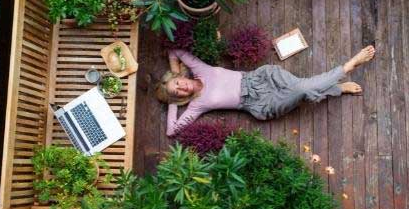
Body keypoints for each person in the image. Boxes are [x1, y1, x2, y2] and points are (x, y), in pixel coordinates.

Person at [156, 44, 376, 137]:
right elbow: (171, 131)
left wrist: (174, 70)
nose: (181, 88)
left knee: (301, 88)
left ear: (179, 77)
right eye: (177, 93)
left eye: (177, 83)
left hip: (262, 77)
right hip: (261, 104)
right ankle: (347, 68)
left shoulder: (199, 69)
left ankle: (335, 87)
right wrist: (172, 102)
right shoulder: (196, 105)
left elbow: (175, 51)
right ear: (180, 98)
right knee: (301, 88)